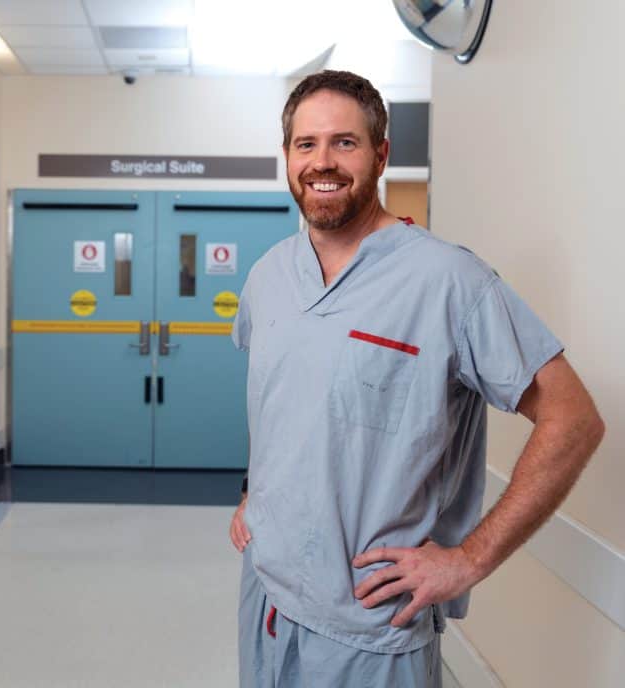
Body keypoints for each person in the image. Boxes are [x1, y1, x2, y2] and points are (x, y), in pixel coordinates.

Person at [228, 70, 604, 687]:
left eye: (345, 142)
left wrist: (470, 559)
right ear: (288, 157)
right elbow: (281, 402)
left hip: (371, 629)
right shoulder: (268, 277)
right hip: (265, 598)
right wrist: (254, 490)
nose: (322, 162)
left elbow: (574, 418)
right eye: (306, 144)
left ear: (380, 155)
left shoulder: (448, 281)